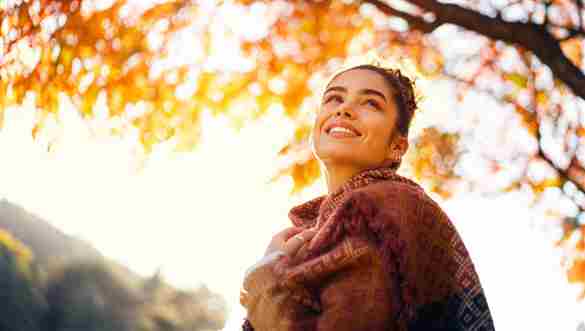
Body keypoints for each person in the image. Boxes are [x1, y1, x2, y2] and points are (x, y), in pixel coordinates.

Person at [239, 63, 496, 331]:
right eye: (334, 98)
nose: (344, 109)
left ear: (397, 146)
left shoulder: (377, 206)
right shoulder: (314, 231)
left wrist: (264, 282)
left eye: (371, 103)